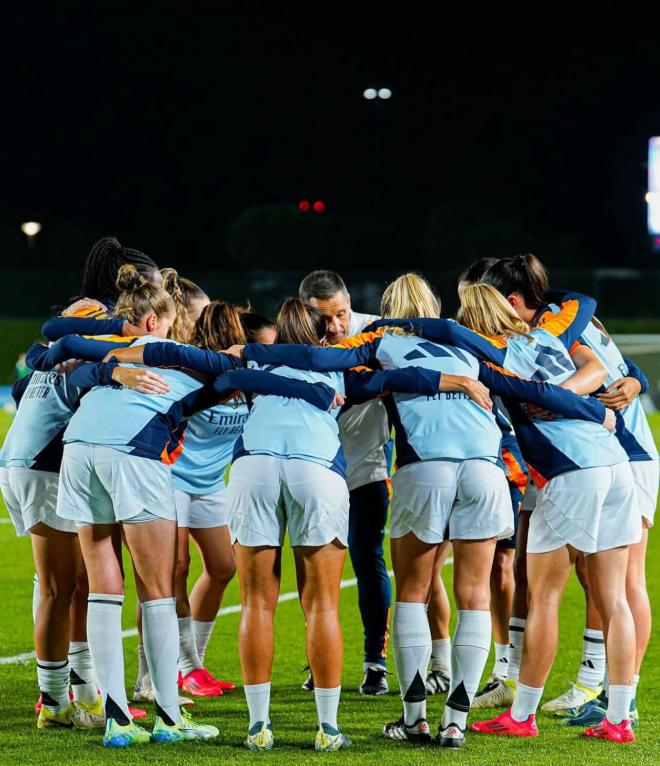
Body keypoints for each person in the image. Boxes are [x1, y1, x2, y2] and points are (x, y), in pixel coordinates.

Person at [238, 274, 615, 749]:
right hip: (484, 471)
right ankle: (455, 718)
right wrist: (596, 411)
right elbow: (533, 386)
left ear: (390, 311)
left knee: (412, 594)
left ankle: (415, 716)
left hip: (423, 471)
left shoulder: (381, 339)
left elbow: (321, 360)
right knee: (474, 594)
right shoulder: (473, 342)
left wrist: (250, 356)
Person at [111, 296, 456, 751]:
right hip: (316, 469)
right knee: (322, 604)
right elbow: (403, 378)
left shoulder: (257, 364)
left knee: (257, 602)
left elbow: (198, 393)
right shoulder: (339, 365)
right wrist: (457, 380)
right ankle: (327, 729)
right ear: (318, 335)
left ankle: (259, 727)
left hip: (254, 467)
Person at [31, 291, 335, 748]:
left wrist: (107, 368)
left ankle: (115, 717)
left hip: (79, 447)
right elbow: (259, 378)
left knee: (104, 586)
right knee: (157, 590)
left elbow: (59, 345)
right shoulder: (195, 360)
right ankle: (169, 717)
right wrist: (314, 390)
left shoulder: (148, 349)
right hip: (132, 449)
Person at [373, 282, 639, 744]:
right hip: (616, 467)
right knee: (614, 598)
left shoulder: (492, 356)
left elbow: (464, 349)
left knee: (545, 597)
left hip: (573, 470)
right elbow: (596, 363)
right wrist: (596, 409)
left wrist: (392, 326)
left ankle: (522, 715)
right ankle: (619, 717)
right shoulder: (547, 338)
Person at [483, 254, 657, 728]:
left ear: (511, 299)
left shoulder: (554, 327)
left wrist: (555, 395)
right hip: (609, 454)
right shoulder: (566, 318)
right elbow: (616, 370)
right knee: (601, 585)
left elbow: (608, 372)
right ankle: (613, 704)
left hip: (618, 452)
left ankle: (598, 692)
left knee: (609, 584)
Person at [0, 263, 170, 731]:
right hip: (44, 464)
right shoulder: (95, 316)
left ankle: (80, 695)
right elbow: (77, 373)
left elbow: (36, 376)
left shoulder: (81, 317)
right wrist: (118, 373)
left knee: (69, 585)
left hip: (27, 459)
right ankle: (58, 702)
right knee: (62, 588)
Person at [298, 270, 392, 695]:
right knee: (311, 566)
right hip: (316, 469)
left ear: (350, 300)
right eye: (323, 320)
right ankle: (317, 659)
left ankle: (376, 661)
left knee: (368, 558)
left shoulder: (375, 331)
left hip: (367, 466)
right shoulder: (296, 338)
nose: (334, 327)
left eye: (340, 314)